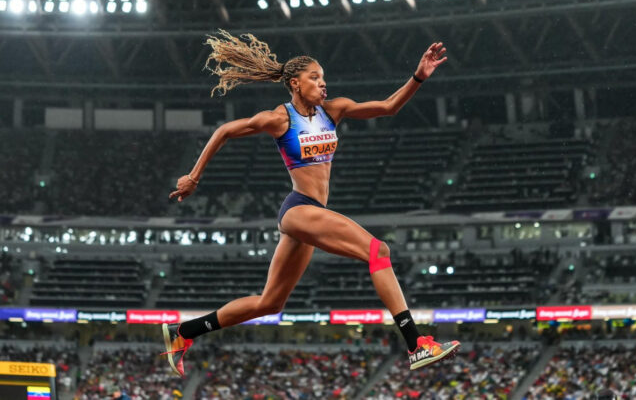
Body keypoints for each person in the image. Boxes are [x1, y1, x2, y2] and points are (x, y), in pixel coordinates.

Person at [162, 30, 459, 376]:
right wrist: (194, 176)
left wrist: (419, 76)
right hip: (299, 208)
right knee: (378, 251)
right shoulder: (280, 119)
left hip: (310, 213)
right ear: (294, 83)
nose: (323, 84)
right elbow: (224, 130)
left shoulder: (334, 111)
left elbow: (389, 107)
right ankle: (416, 344)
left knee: (270, 303)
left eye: (324, 78)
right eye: (314, 78)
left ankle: (183, 332)